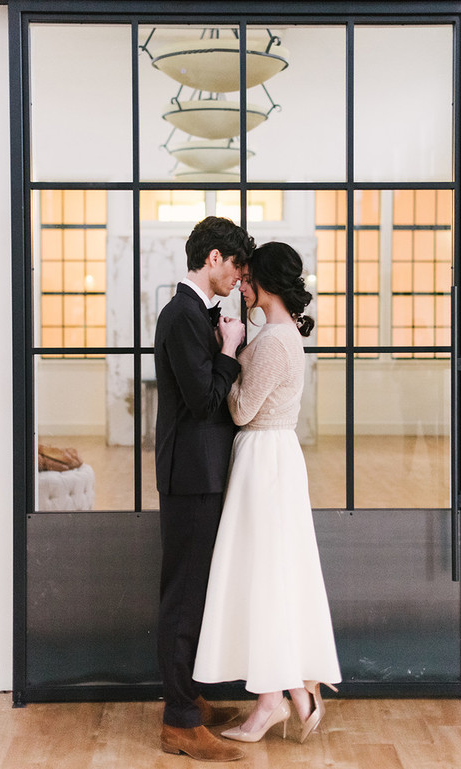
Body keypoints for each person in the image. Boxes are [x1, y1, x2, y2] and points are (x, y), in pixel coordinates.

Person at [193, 241, 341, 743]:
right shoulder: (279, 334)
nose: (242, 285)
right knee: (269, 574)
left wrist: (227, 352)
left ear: (268, 283)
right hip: (269, 457)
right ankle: (291, 692)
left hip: (265, 459)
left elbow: (240, 410)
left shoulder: (276, 341)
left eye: (249, 277)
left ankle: (275, 700)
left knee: (264, 574)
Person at [154, 216, 255, 762]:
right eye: (236, 266)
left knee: (194, 592)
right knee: (183, 596)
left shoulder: (195, 314)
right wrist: (230, 349)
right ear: (213, 258)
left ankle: (187, 697)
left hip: (200, 473)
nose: (240, 278)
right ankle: (179, 722)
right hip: (191, 475)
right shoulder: (182, 315)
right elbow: (204, 401)